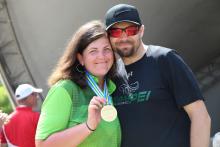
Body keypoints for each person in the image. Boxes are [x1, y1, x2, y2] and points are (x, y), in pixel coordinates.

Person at [105, 4, 211, 147]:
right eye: (116, 32)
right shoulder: (111, 74)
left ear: (141, 31)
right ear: (108, 37)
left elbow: (200, 116)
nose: (124, 37)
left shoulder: (165, 59)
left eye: (131, 30)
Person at [35, 20, 121, 147]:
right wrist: (88, 126)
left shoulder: (114, 88)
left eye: (107, 49)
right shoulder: (64, 89)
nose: (102, 56)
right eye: (93, 51)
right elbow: (43, 144)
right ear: (80, 58)